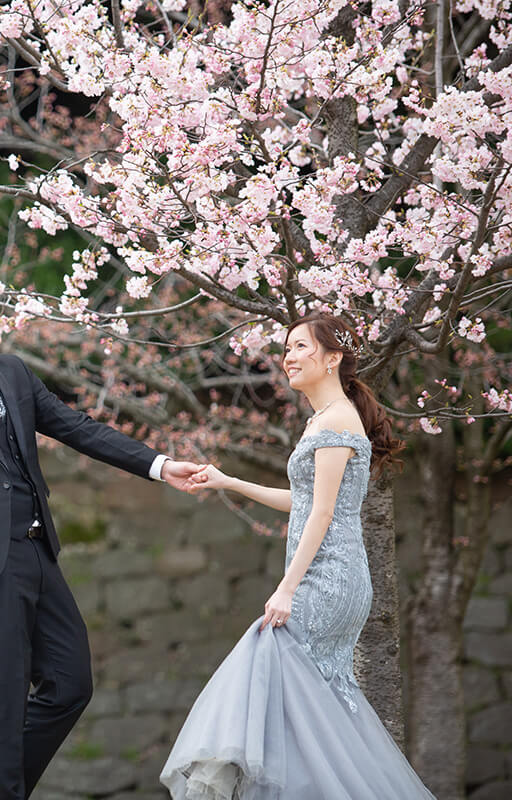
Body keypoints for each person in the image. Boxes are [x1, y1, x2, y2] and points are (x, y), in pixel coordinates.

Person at [0, 264, 204, 800]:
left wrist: (157, 464)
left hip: (39, 554)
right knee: (5, 699)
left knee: (70, 685)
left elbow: (76, 428)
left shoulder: (13, 373)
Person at [160, 313, 434, 799]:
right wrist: (229, 481)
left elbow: (323, 514)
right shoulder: (325, 420)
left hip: (327, 581)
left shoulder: (337, 420)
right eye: (285, 348)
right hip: (330, 577)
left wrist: (286, 587)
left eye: (300, 347)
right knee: (307, 707)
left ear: (333, 359)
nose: (288, 356)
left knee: (268, 665)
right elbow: (303, 501)